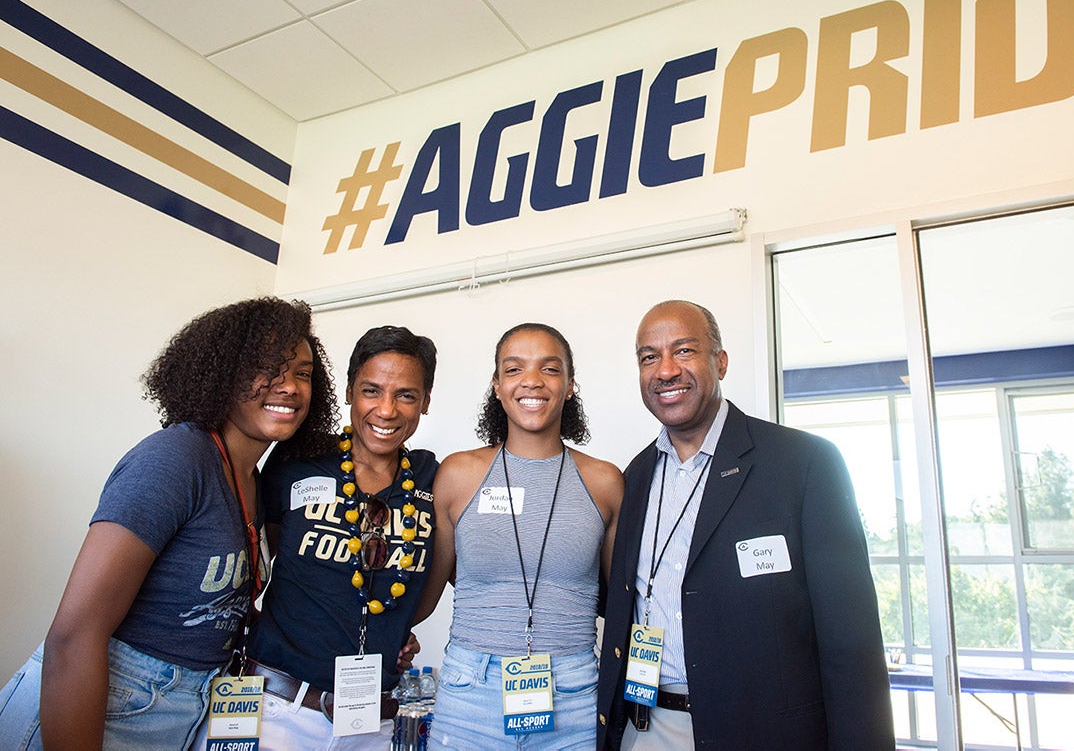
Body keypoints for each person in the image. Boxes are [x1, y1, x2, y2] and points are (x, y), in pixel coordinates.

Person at [0, 297, 339, 751]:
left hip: (187, 705)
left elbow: (208, 606)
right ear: (222, 373)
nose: (289, 387)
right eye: (266, 368)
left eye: (302, 372)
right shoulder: (176, 459)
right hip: (111, 700)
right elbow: (73, 636)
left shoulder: (253, 481)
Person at [596, 300, 894, 750]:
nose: (666, 370)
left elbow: (852, 644)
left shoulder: (804, 464)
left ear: (721, 361)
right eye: (649, 357)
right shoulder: (633, 477)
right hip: (646, 729)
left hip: (764, 734)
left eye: (684, 350)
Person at [201, 325, 439, 749]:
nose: (386, 410)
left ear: (425, 402)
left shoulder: (433, 479)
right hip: (274, 710)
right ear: (349, 391)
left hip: (372, 725)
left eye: (406, 395)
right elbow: (269, 557)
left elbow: (430, 577)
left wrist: (393, 624)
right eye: (371, 390)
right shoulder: (296, 461)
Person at [415, 323, 624, 749]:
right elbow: (429, 590)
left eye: (549, 369)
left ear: (569, 385)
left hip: (574, 694)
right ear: (496, 385)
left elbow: (623, 601)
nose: (531, 381)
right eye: (514, 369)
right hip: (469, 690)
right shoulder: (458, 475)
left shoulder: (605, 482)